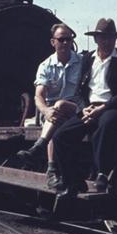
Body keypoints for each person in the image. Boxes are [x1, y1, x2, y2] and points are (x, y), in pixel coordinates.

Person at [50, 18, 117, 200]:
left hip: (113, 108)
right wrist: (86, 108)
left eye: (110, 38)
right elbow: (80, 91)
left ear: (115, 40)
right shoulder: (88, 59)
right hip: (89, 108)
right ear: (96, 39)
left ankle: (102, 173)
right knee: (60, 136)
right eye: (102, 37)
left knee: (104, 126)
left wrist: (102, 109)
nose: (106, 41)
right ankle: (72, 182)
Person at [17, 23, 84, 188]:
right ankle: (52, 169)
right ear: (53, 42)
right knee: (57, 113)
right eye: (61, 39)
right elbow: (39, 95)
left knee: (60, 104)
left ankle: (40, 148)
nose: (66, 43)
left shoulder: (82, 62)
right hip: (54, 116)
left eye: (69, 39)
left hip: (77, 110)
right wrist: (46, 110)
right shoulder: (45, 66)